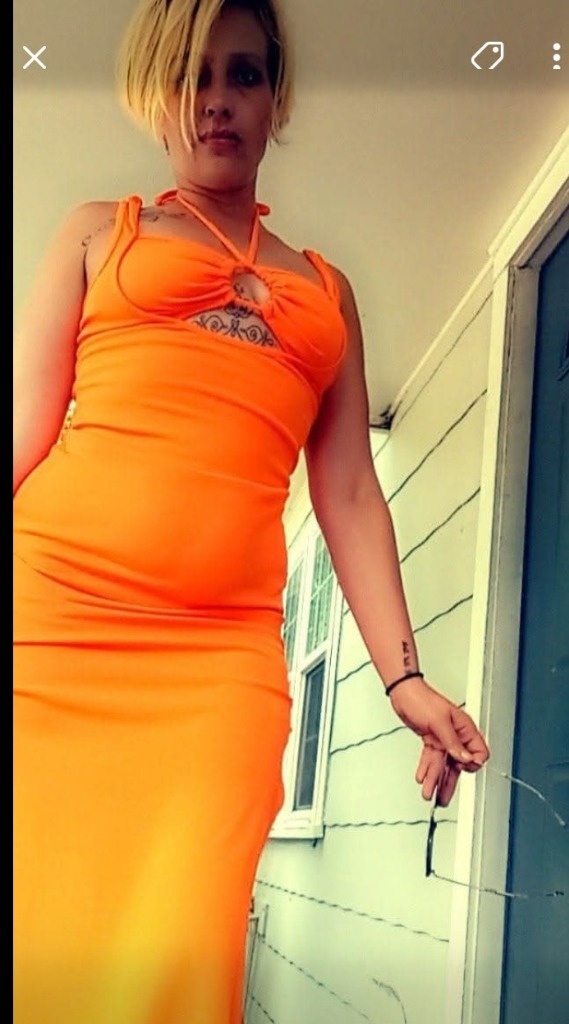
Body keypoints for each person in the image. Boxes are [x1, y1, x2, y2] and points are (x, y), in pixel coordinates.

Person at [13, 1, 490, 1021]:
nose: (216, 101)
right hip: (50, 630)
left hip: (217, 665)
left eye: (242, 74)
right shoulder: (99, 231)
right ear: (156, 94)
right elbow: (23, 431)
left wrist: (403, 677)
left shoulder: (325, 290)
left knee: (179, 953)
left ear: (276, 96)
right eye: (191, 75)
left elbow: (348, 492)